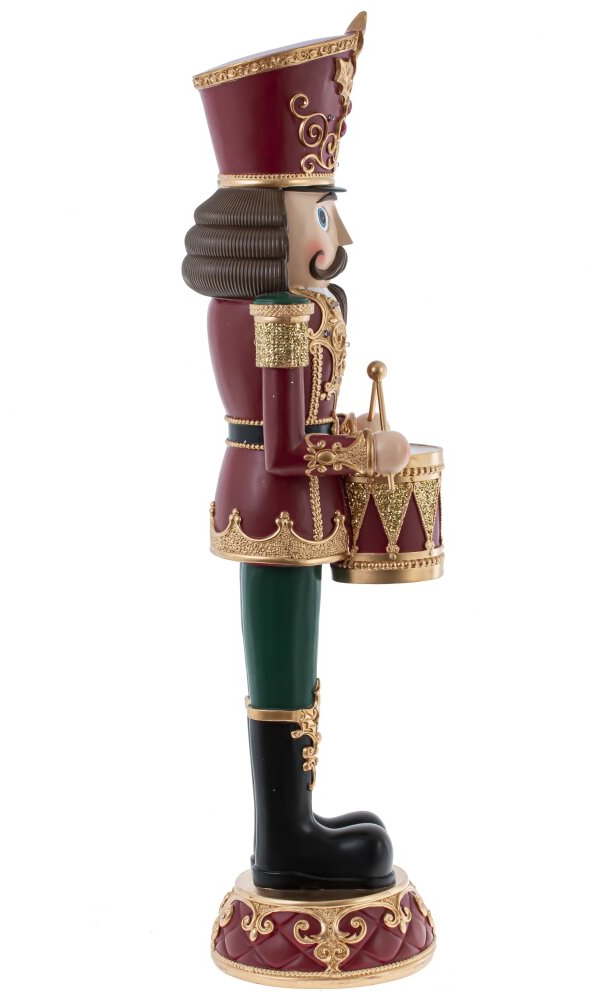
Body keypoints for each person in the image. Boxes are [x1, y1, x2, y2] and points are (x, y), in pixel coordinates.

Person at [183, 12, 409, 891]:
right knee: (284, 662)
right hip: (275, 501)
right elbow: (285, 446)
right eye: (320, 212)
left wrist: (350, 437)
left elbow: (304, 425)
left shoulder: (290, 306)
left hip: (287, 504)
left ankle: (296, 819)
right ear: (266, 224)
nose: (337, 235)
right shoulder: (272, 313)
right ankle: (283, 838)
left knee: (297, 656)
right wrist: (361, 452)